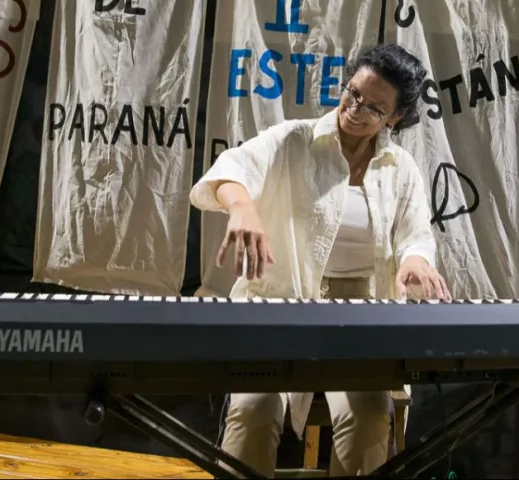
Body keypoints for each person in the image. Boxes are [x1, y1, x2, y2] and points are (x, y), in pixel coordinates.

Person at [189, 43, 451, 477]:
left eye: (374, 108)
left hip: (360, 313)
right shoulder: (295, 139)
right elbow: (232, 169)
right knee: (255, 410)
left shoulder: (400, 168)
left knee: (369, 415)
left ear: (395, 118)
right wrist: (242, 207)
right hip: (281, 303)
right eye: (353, 93)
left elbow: (415, 236)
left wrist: (415, 260)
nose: (355, 109)